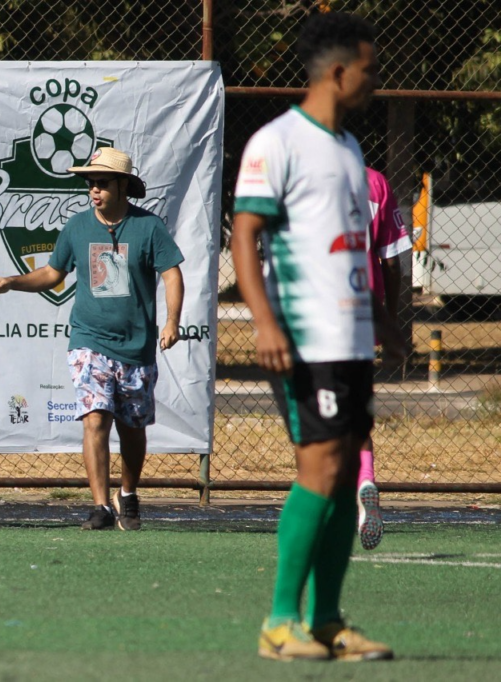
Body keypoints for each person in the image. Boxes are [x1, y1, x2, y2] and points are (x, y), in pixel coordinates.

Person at [231, 12, 402, 662]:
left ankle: (328, 621)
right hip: (305, 338)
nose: (374, 82)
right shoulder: (277, 143)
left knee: (343, 471)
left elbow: (349, 247)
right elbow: (246, 235)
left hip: (353, 338)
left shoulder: (350, 148)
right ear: (338, 71)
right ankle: (280, 621)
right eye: (370, 70)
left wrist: (383, 319)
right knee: (322, 467)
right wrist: (266, 322)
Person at [0, 147, 185, 531]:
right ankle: (100, 507)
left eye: (102, 183)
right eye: (90, 184)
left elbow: (172, 275)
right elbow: (51, 274)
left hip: (137, 347)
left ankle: (126, 494)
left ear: (123, 185)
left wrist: (172, 321)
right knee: (95, 419)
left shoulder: (149, 228)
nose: (94, 191)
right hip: (89, 340)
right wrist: (13, 282)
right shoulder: (77, 227)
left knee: (132, 429)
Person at [356, 167, 412, 550]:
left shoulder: (300, 172)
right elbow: (392, 262)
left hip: (312, 315)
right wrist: (391, 319)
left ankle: (328, 503)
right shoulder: (374, 182)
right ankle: (366, 482)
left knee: (314, 425)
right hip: (360, 315)